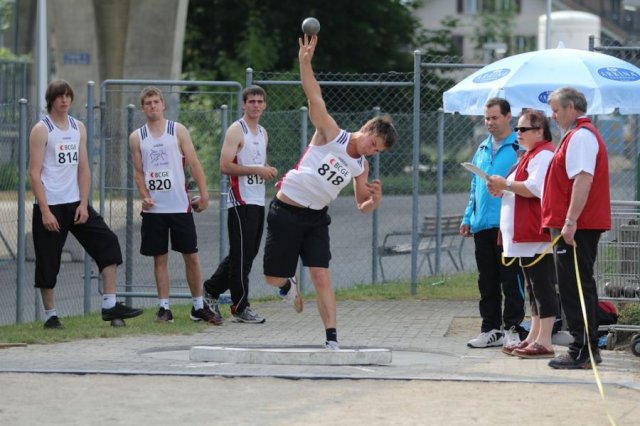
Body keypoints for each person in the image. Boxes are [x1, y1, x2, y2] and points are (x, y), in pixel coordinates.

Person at [262, 34, 398, 350]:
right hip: (286, 210)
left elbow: (362, 204)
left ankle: (332, 339)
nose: (371, 151)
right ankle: (287, 286)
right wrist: (304, 62)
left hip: (316, 219)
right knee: (271, 278)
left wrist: (374, 201)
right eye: (373, 144)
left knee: (322, 276)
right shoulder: (331, 133)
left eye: (377, 151)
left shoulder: (361, 166)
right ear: (367, 129)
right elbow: (314, 95)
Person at [28, 80, 143, 329]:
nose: (65, 100)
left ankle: (110, 305)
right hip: (51, 205)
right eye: (60, 96)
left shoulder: (77, 127)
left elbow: (83, 168)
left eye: (68, 96)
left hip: (75, 204)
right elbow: (34, 173)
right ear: (51, 100)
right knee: (48, 262)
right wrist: (45, 211)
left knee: (108, 243)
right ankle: (50, 316)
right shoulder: (41, 129)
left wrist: (83, 203)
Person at [129, 86, 220, 324]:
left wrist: (204, 195)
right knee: (159, 258)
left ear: (163, 104)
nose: (153, 106)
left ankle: (198, 306)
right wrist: (144, 195)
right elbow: (138, 172)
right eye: (148, 103)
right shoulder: (137, 137)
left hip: (180, 206)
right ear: (142, 108)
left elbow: (194, 163)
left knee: (191, 256)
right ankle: (164, 308)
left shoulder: (177, 130)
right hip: (155, 210)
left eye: (156, 102)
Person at [542, 87, 611, 369]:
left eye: (556, 110)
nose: (553, 116)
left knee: (576, 287)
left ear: (571, 107)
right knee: (575, 284)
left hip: (578, 226)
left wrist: (570, 221)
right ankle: (585, 347)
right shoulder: (575, 135)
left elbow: (583, 179)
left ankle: (582, 350)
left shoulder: (581, 136)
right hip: (574, 224)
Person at [203, 86, 278, 324]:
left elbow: (258, 164)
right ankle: (240, 305)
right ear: (243, 104)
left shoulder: (263, 132)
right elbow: (225, 166)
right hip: (240, 200)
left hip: (257, 198)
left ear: (265, 105)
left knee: (247, 253)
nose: (256, 105)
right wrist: (257, 170)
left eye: (259, 101)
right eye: (251, 101)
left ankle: (210, 290)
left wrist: (267, 171)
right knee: (241, 256)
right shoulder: (237, 130)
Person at [486, 109, 557, 358]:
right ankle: (534, 336)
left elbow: (535, 188)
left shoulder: (544, 155)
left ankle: (545, 341)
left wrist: (505, 184)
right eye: (517, 128)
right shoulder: (529, 155)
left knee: (542, 285)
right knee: (532, 287)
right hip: (525, 234)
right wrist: (502, 189)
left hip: (536, 232)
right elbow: (519, 188)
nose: (518, 133)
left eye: (524, 129)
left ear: (540, 131)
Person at [460, 97, 526, 349]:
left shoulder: (519, 148)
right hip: (482, 226)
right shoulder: (482, 148)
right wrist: (468, 217)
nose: (490, 123)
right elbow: (475, 186)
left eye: (495, 118)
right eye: (487, 118)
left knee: (511, 279)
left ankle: (513, 328)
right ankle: (490, 329)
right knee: (487, 281)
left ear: (508, 117)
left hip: (506, 226)